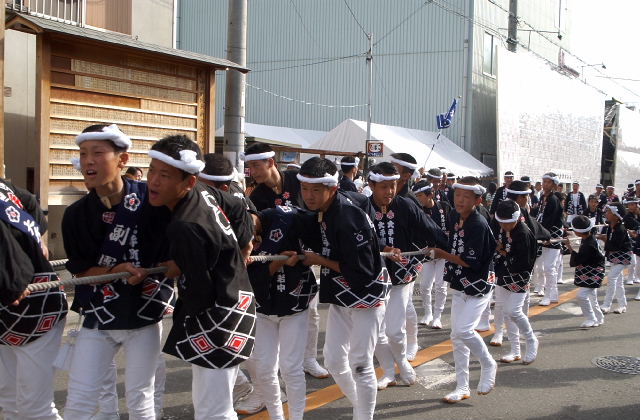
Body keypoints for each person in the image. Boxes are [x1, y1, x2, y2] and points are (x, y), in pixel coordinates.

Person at [62, 124, 173, 420]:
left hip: (144, 314)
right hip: (99, 315)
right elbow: (81, 272)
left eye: (98, 153)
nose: (88, 161)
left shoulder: (153, 200)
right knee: (79, 397)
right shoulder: (75, 215)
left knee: (140, 398)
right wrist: (115, 270)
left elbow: (176, 248)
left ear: (122, 160)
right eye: (83, 154)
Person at [147, 135, 256, 420]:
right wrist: (243, 244)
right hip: (238, 298)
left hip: (218, 313)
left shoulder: (185, 225)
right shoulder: (204, 192)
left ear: (189, 181)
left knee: (212, 410)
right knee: (214, 405)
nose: (153, 181)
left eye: (165, 175)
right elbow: (237, 206)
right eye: (152, 171)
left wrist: (179, 267)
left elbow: (200, 290)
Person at [297, 157, 390, 420]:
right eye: (305, 188)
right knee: (334, 360)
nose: (309, 196)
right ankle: (360, 406)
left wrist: (318, 259)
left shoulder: (348, 217)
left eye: (316, 190)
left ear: (333, 188)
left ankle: (364, 415)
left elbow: (361, 271)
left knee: (361, 363)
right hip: (341, 292)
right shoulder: (327, 208)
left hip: (367, 294)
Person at [243, 143, 328, 392]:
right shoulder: (257, 196)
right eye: (249, 167)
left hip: (304, 255)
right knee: (277, 311)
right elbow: (259, 232)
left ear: (270, 162)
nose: (252, 171)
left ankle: (309, 358)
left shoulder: (296, 180)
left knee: (310, 312)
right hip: (277, 258)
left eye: (256, 166)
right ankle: (279, 370)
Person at [366, 163, 446, 390]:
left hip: (402, 275)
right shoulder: (363, 207)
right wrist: (383, 248)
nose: (389, 191)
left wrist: (449, 249)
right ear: (371, 185)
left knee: (394, 329)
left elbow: (430, 229)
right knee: (376, 330)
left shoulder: (406, 205)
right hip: (373, 275)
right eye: (384, 187)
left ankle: (401, 360)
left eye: (393, 185)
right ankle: (388, 371)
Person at [0, 177, 67, 420]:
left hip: (35, 309)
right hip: (10, 311)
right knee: (8, 400)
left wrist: (35, 241)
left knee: (34, 407)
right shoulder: (4, 187)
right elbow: (29, 202)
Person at [428, 176, 497, 404]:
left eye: (466, 197)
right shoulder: (454, 216)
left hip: (479, 284)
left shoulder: (478, 224)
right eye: (457, 195)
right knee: (456, 336)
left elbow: (469, 261)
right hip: (460, 282)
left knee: (464, 331)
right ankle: (462, 386)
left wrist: (442, 254)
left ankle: (488, 363)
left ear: (477, 200)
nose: (459, 200)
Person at [247, 206, 318, 420]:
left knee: (291, 368)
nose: (245, 228)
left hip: (293, 305)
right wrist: (276, 262)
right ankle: (276, 416)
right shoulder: (236, 241)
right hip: (262, 308)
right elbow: (252, 279)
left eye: (245, 218)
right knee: (264, 369)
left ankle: (296, 417)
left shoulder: (282, 216)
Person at [492, 200, 539, 364]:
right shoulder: (503, 228)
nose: (504, 226)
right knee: (505, 312)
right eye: (501, 222)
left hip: (519, 276)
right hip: (503, 273)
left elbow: (523, 262)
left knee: (514, 311)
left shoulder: (523, 233)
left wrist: (503, 251)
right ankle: (515, 350)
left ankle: (531, 340)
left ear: (517, 218)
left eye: (507, 222)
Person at [412, 180, 451, 329]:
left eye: (420, 195)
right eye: (416, 196)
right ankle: (428, 313)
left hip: (443, 253)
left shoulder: (444, 207)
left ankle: (437, 316)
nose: (418, 199)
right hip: (427, 254)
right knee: (424, 285)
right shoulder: (418, 211)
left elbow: (451, 229)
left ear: (430, 195)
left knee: (441, 286)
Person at [566, 216, 605, 328]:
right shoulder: (588, 238)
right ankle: (599, 317)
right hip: (594, 271)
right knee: (592, 297)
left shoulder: (589, 244)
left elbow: (578, 260)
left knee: (581, 295)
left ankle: (591, 318)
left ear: (578, 231)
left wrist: (569, 246)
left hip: (593, 273)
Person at [599, 203, 633, 314]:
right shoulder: (611, 226)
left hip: (623, 257)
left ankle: (606, 304)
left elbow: (615, 246)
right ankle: (622, 305)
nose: (606, 213)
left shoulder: (620, 229)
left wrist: (604, 240)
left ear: (616, 215)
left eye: (609, 212)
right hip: (615, 257)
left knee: (611, 278)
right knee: (618, 281)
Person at [536, 173, 564, 305]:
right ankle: (553, 295)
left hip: (553, 235)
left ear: (554, 185)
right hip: (545, 234)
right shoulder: (543, 197)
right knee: (547, 267)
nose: (545, 184)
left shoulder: (553, 199)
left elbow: (550, 220)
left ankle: (548, 296)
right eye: (544, 181)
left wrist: (544, 234)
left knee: (549, 267)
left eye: (548, 182)